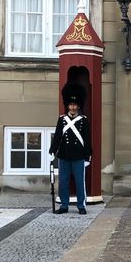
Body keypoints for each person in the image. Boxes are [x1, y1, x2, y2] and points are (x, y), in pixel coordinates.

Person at [49, 83, 92, 215]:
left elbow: (87, 139)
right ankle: (64, 205)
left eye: (75, 105)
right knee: (63, 182)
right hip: (64, 155)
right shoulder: (62, 120)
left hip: (78, 156)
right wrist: (52, 150)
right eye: (70, 105)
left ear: (78, 106)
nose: (73, 107)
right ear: (67, 106)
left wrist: (88, 156)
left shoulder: (83, 120)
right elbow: (57, 136)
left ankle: (81, 205)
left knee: (80, 182)